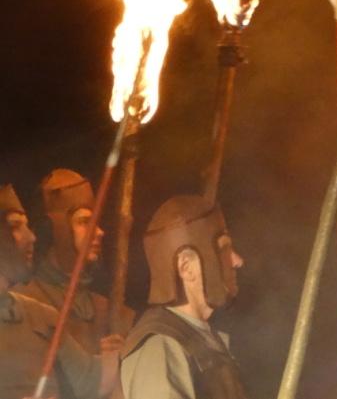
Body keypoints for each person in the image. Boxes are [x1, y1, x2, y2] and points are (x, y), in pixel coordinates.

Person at [120, 195, 246, 399]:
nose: (237, 261)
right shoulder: (161, 347)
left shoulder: (200, 338)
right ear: (186, 268)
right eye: (224, 250)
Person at [0, 183, 118, 399]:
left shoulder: (41, 317)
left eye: (26, 226)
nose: (31, 237)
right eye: (15, 226)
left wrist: (122, 353)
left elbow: (93, 381)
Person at [16, 169, 131, 356]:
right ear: (55, 230)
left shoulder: (107, 309)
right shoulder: (22, 303)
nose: (99, 232)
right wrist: (95, 363)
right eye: (84, 221)